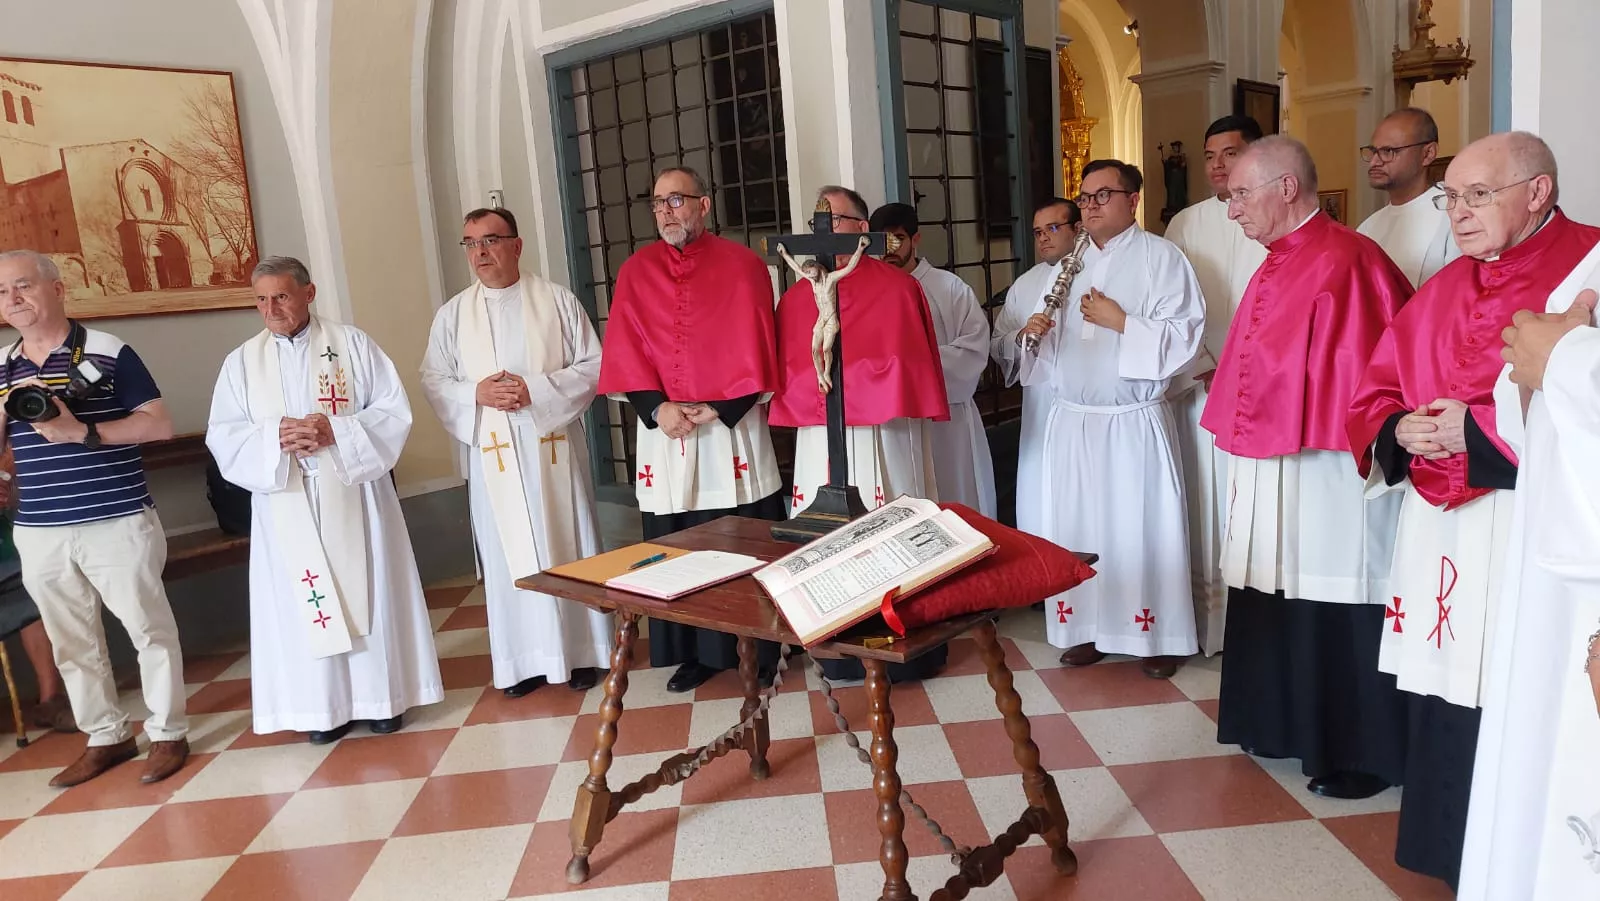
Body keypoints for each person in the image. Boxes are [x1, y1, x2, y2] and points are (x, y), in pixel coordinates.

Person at [1346, 132, 1598, 889]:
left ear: (1538, 192)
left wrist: (1479, 431)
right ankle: (1443, 844)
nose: (1457, 212)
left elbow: (1582, 407)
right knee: (1443, 685)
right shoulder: (1447, 284)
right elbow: (1376, 386)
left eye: (1477, 194)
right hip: (1438, 523)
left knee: (1512, 683)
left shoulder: (1586, 270)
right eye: (1449, 197)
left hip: (1521, 520)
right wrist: (1400, 428)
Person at [1201, 136, 1412, 800]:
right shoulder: (1272, 262)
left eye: (1240, 194)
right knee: (1271, 586)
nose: (1231, 210)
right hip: (1273, 462)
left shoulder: (1350, 259)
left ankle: (1358, 748)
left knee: (1333, 589)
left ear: (1286, 188)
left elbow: (1382, 373)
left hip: (1328, 468)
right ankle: (1282, 720)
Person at [207, 256, 444, 743]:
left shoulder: (352, 344)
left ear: (308, 294)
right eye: (261, 299)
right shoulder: (241, 362)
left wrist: (333, 429)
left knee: (369, 591)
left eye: (282, 296)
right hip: (286, 496)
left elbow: (392, 411)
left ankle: (383, 700)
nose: (271, 308)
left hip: (352, 490)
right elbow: (224, 435)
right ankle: (322, 709)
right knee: (303, 601)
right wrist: (276, 436)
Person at [992, 160, 1205, 680]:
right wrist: (1034, 337)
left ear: (1132, 199)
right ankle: (1087, 627)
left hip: (1132, 420)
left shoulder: (1163, 259)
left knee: (1141, 527)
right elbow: (1040, 356)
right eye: (1084, 197)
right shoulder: (1071, 264)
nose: (1089, 205)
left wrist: (1122, 322)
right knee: (1080, 526)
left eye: (1102, 195)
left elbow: (1186, 337)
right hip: (1074, 421)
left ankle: (1156, 635)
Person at [0, 249, 188, 787]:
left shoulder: (108, 351)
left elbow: (159, 425)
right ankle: (105, 735)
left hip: (116, 517)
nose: (12, 300)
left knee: (148, 629)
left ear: (56, 289)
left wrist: (83, 431)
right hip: (39, 528)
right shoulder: (2, 367)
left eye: (23, 286)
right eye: (2, 292)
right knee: (70, 640)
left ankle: (169, 732)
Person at [1458, 205, 1600, 901]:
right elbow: (1524, 376)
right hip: (1562, 565)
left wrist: (1563, 359)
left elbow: (1566, 363)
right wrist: (1533, 363)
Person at [597, 167, 783, 694]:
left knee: (739, 537)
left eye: (676, 200)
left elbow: (763, 346)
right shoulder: (635, 271)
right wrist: (658, 409)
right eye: (658, 203)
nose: (666, 211)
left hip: (728, 429)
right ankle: (695, 652)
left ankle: (761, 649)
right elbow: (626, 351)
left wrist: (720, 406)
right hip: (666, 430)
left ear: (705, 204)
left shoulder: (745, 266)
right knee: (677, 542)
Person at [421, 209, 613, 698]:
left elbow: (594, 365)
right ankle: (521, 662)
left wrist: (537, 391)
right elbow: (435, 379)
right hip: (496, 455)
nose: (479, 253)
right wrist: (475, 395)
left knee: (565, 542)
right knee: (508, 554)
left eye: (489, 241)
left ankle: (583, 654)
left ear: (516, 245)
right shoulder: (453, 314)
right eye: (469, 244)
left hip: (549, 448)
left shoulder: (556, 301)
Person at [770, 185, 949, 682]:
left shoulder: (897, 288)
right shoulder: (798, 293)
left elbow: (909, 365)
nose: (822, 228)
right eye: (816, 217)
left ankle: (911, 641)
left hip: (883, 436)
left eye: (835, 217)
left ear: (862, 228)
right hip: (820, 438)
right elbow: (796, 367)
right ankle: (834, 641)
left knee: (894, 525)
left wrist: (870, 386)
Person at [1163, 114, 1269, 655]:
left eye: (1231, 153)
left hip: (1263, 390)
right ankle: (1203, 621)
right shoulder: (1184, 224)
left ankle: (1253, 625)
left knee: (1251, 504)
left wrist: (1249, 368)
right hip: (1202, 382)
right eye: (1210, 156)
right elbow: (1171, 304)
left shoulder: (1275, 215)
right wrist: (1202, 361)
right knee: (1203, 499)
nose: (1218, 165)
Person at [870, 201, 996, 518]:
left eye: (898, 238)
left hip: (947, 421)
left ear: (916, 238)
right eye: (882, 240)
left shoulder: (950, 288)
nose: (890, 248)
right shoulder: (868, 292)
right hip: (895, 421)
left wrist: (908, 369)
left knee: (956, 501)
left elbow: (973, 350)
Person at [992, 198, 1082, 531]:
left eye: (1053, 228)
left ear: (1078, 229)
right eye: (1037, 232)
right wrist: (1020, 336)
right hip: (1041, 404)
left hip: (1087, 404)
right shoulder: (1026, 284)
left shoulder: (1102, 273)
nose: (1044, 238)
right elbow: (997, 341)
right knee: (1043, 491)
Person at [1357, 107, 1460, 288]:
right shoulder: (1367, 228)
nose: (1374, 161)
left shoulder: (1454, 212)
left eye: (1388, 151)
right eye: (1373, 151)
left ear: (1428, 154)